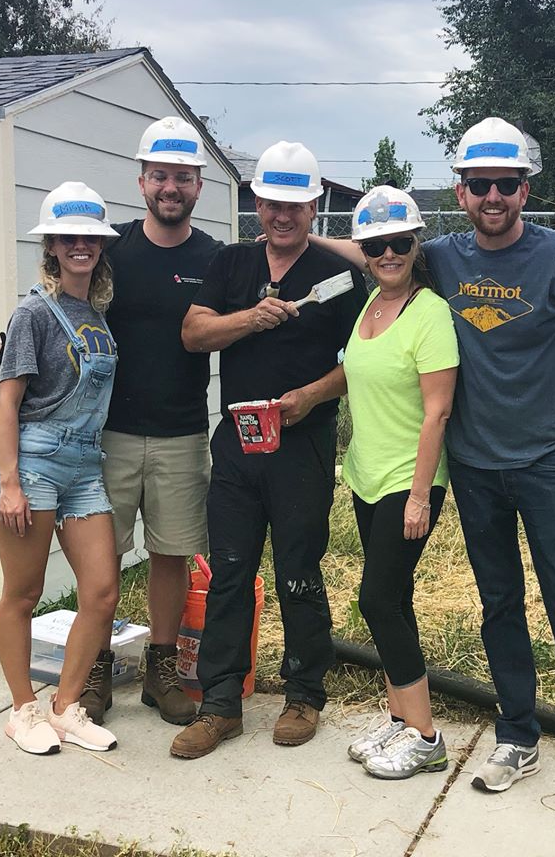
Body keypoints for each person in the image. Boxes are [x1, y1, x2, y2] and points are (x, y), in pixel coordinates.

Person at [315, 118, 555, 831]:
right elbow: (378, 252)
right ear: (460, 193)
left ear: (526, 188)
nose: (494, 196)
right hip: (477, 466)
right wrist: (296, 231)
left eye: (507, 184)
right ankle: (517, 735)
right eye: (481, 185)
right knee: (499, 605)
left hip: (548, 461)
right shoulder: (442, 259)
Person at [170, 141, 368, 759]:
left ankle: (304, 693)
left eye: (297, 204)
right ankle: (221, 703)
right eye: (273, 202)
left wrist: (311, 397)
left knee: (299, 570)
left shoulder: (338, 281)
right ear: (258, 202)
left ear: (315, 206)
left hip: (303, 444)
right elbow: (193, 332)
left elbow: (360, 364)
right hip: (237, 444)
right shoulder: (231, 265)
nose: (283, 215)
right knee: (230, 570)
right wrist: (249, 319)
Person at [79, 117, 224, 727]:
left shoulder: (215, 259)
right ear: (141, 182)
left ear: (199, 187)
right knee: (102, 557)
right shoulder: (110, 252)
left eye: (183, 178)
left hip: (183, 431)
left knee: (171, 554)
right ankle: (93, 669)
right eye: (160, 175)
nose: (171, 187)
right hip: (109, 432)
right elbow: (60, 313)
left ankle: (160, 670)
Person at [0, 182, 120, 756]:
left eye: (88, 237)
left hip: (86, 465)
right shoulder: (32, 313)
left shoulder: (96, 312)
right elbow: (8, 402)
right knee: (24, 592)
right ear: (51, 246)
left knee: (102, 590)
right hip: (37, 462)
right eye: (68, 237)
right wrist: (11, 482)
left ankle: (66, 708)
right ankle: (22, 710)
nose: (79, 246)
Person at [341, 187, 459, 779]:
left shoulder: (430, 313)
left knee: (378, 598)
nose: (388, 253)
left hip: (408, 483)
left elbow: (437, 411)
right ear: (363, 251)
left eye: (399, 244)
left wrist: (418, 495)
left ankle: (426, 736)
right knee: (397, 599)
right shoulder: (369, 308)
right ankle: (397, 717)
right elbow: (353, 374)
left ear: (416, 246)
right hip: (366, 477)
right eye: (376, 245)